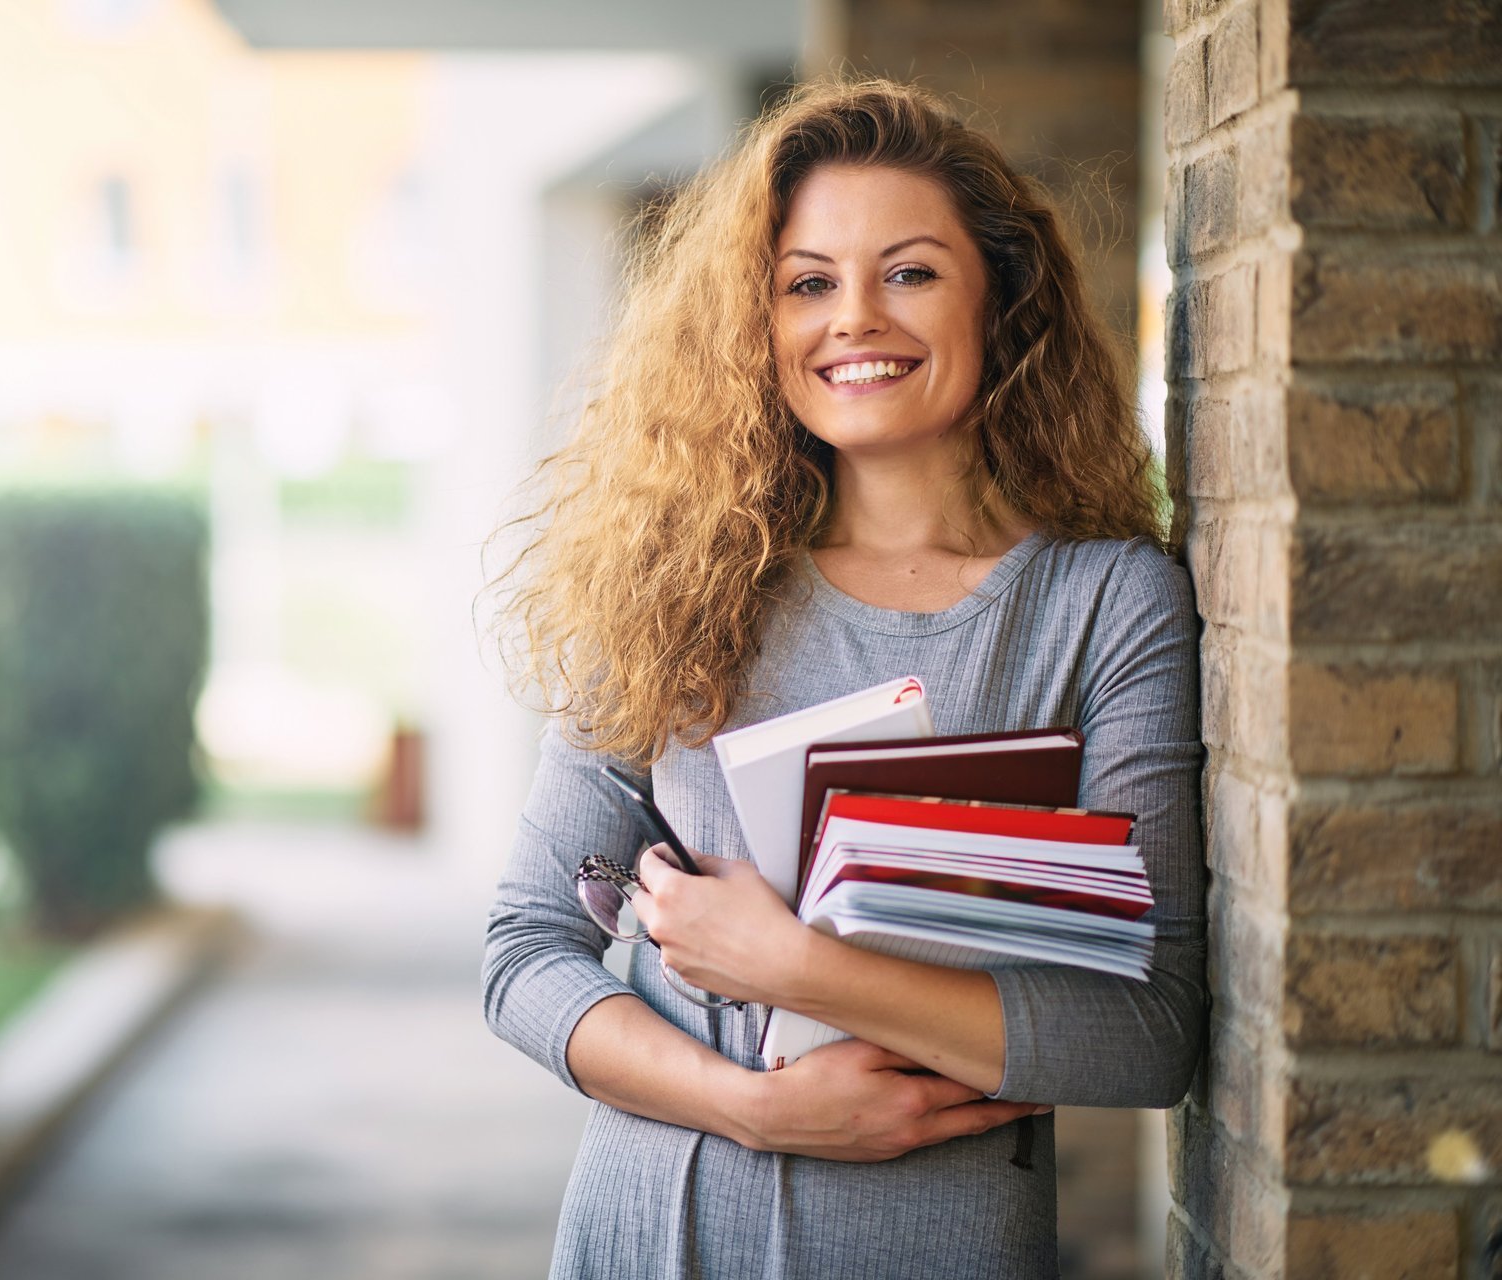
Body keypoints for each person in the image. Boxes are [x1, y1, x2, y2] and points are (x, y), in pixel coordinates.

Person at [481, 78, 1205, 1279]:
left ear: (1002, 296)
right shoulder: (681, 583)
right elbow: (526, 949)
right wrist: (748, 1104)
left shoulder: (1103, 605)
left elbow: (1148, 1030)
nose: (854, 318)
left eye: (910, 272)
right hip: (659, 1231)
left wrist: (795, 966)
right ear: (755, 325)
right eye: (808, 282)